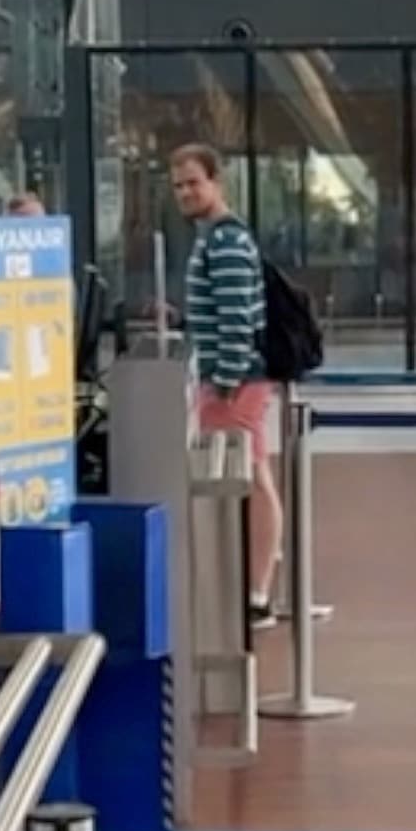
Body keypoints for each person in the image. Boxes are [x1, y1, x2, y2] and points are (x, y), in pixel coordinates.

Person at [170, 143, 282, 629]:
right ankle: (255, 586)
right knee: (254, 476)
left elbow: (238, 318)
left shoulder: (226, 242)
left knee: (249, 481)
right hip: (232, 379)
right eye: (178, 186)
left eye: (194, 182)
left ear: (217, 181)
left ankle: (254, 591)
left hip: (234, 383)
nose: (185, 193)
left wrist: (226, 380)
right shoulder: (213, 239)